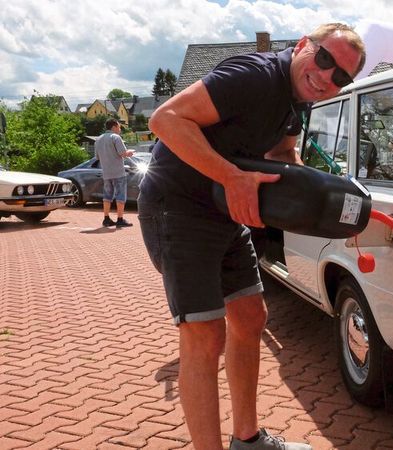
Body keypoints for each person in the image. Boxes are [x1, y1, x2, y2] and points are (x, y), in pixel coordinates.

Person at [140, 23, 365, 450]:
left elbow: (284, 156)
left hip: (225, 209)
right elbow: (164, 119)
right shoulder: (255, 75)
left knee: (250, 317)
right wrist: (231, 176)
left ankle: (247, 439)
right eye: (323, 59)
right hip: (179, 206)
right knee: (205, 335)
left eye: (341, 76)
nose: (326, 76)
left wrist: (325, 205)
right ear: (303, 46)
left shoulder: (297, 102)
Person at [95, 118, 135, 228]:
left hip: (106, 173)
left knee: (107, 196)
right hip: (118, 172)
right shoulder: (116, 137)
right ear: (114, 127)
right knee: (120, 195)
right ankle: (120, 219)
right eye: (119, 127)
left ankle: (106, 218)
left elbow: (97, 157)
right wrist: (130, 152)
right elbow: (123, 153)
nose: (120, 129)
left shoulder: (98, 139)